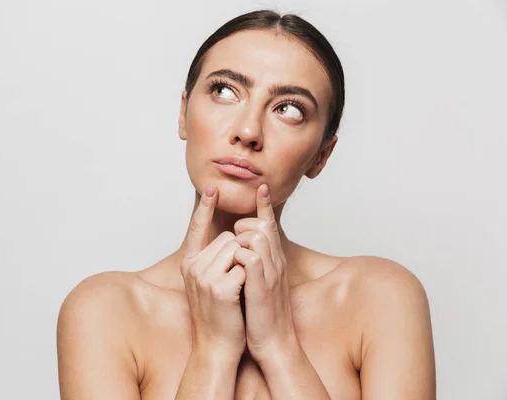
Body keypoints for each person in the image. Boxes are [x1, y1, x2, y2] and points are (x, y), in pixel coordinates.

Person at [56, 9, 436, 399]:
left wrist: (278, 344)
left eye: (289, 109)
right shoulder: (104, 312)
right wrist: (213, 352)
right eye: (224, 91)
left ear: (321, 155)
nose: (248, 131)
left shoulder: (379, 298)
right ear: (184, 114)